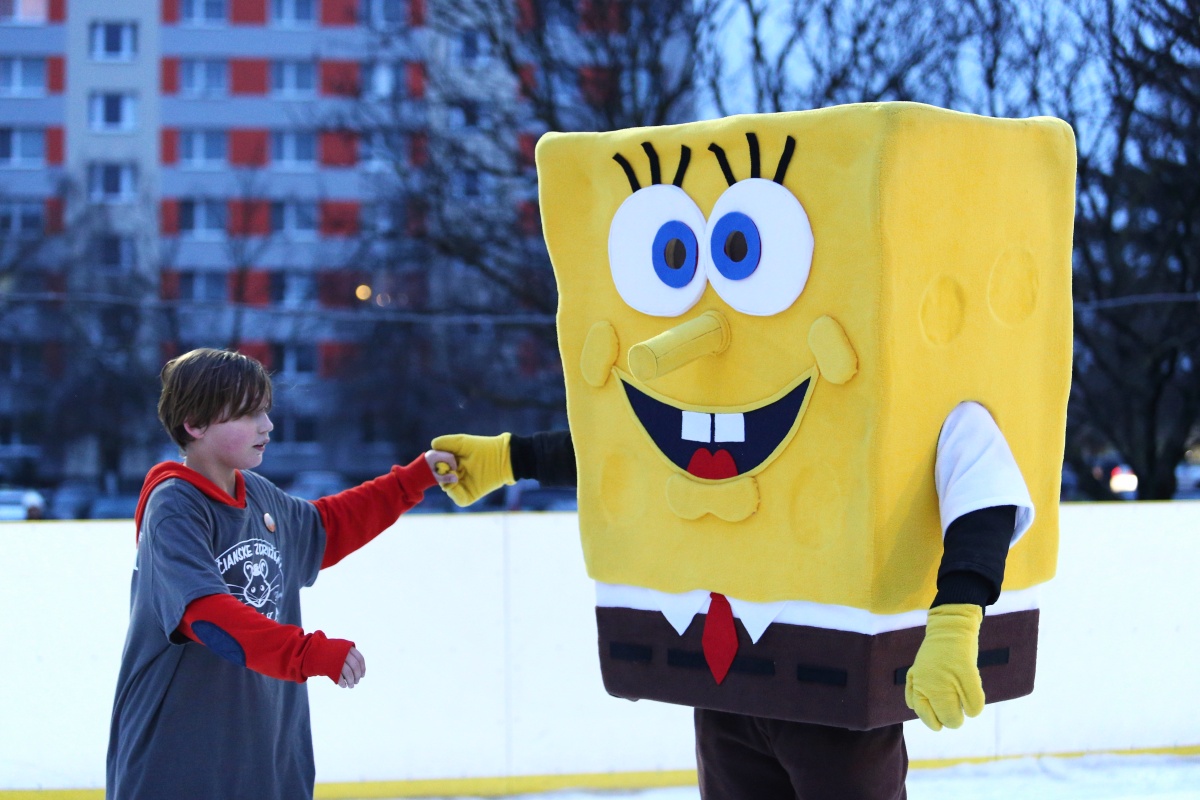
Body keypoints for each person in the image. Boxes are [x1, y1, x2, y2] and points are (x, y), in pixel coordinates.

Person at [106, 348, 457, 800]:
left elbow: (325, 528)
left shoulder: (258, 494)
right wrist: (306, 653)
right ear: (194, 424)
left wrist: (415, 478)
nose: (267, 425)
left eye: (265, 410)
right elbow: (207, 616)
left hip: (265, 758)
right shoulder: (175, 507)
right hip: (179, 763)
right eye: (248, 413)